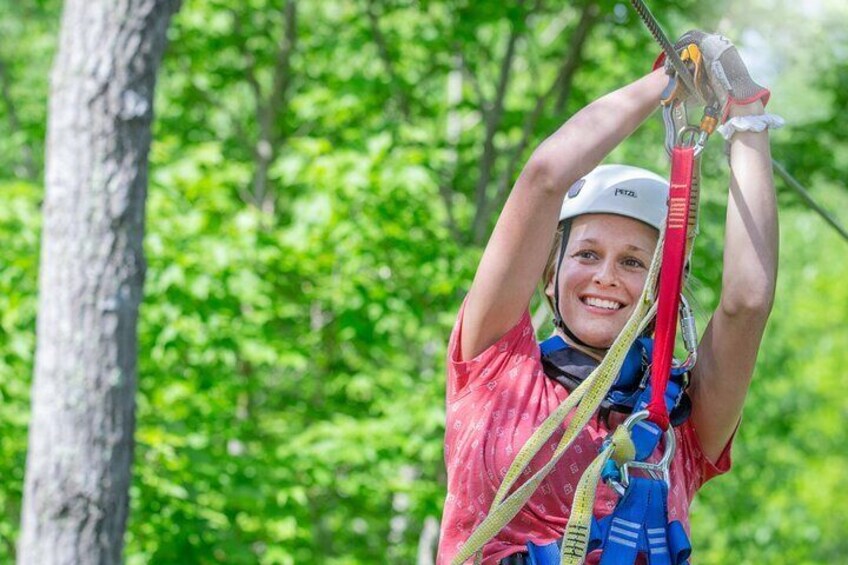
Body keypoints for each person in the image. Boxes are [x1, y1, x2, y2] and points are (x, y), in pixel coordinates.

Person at [438, 31, 779, 564]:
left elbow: (747, 302)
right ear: (549, 276)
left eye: (633, 263)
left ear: (661, 294)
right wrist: (665, 82)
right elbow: (545, 178)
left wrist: (748, 120)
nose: (606, 278)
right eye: (588, 254)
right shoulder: (494, 365)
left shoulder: (677, 423)